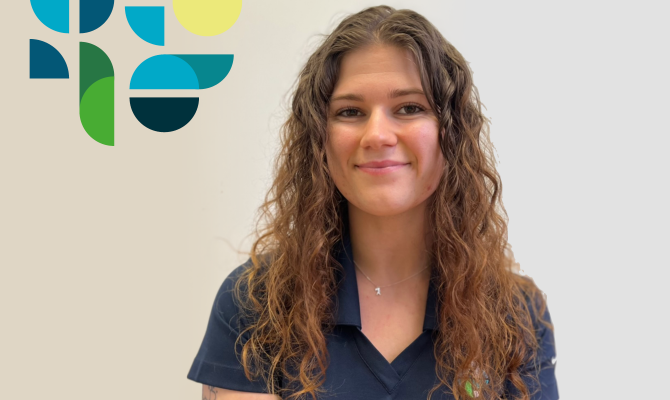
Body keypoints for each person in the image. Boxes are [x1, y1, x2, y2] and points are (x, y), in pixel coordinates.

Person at [187, 5, 558, 400]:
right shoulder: (256, 302)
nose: (377, 135)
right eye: (350, 112)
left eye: (410, 108)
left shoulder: (515, 313)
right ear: (319, 140)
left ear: (452, 133)